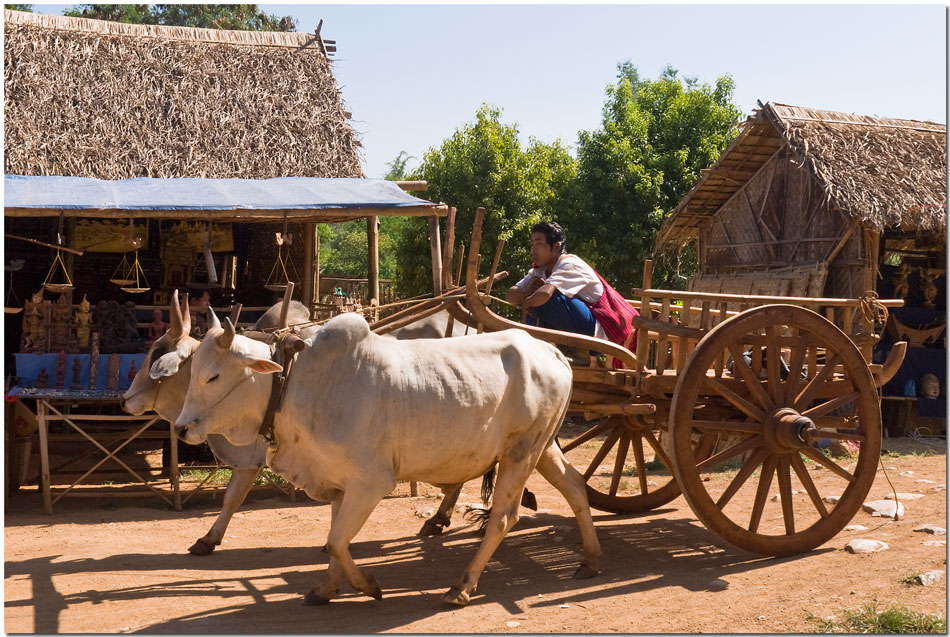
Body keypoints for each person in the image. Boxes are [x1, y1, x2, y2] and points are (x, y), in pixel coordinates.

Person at [506, 221, 639, 366]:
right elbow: (510, 297)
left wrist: (527, 300)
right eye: (532, 244)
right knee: (536, 297)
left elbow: (544, 295)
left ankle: (580, 352)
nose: (533, 250)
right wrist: (526, 292)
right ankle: (540, 347)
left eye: (538, 244)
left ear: (556, 247)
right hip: (581, 324)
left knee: (547, 298)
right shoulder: (540, 270)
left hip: (599, 330)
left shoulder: (569, 263)